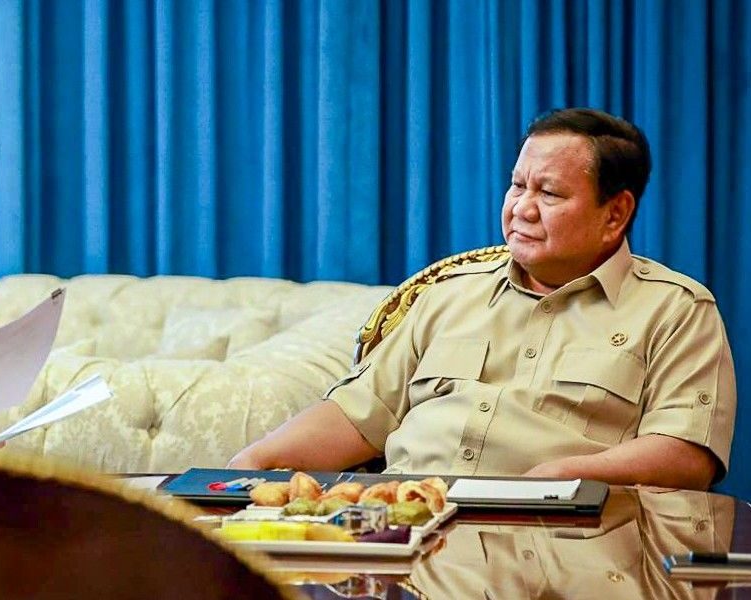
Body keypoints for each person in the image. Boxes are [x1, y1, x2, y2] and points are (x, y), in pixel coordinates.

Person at [229, 108, 735, 490]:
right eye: (517, 186)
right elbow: (359, 415)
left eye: (549, 194)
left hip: (566, 543)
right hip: (409, 527)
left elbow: (686, 455)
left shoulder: (676, 311)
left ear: (615, 214)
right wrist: (259, 458)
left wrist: (564, 476)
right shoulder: (449, 295)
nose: (522, 209)